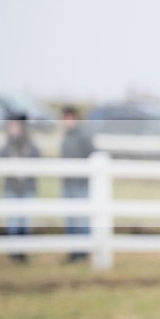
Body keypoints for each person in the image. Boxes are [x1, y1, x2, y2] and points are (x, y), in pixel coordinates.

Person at [0, 113, 42, 263]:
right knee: (13, 221)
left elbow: (36, 161)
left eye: (15, 125)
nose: (13, 128)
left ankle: (22, 252)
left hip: (27, 188)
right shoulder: (7, 146)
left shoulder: (31, 146)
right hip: (12, 188)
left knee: (24, 220)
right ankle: (14, 252)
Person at [59, 106, 95, 262]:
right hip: (68, 183)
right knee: (71, 219)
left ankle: (83, 251)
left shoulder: (83, 136)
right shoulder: (66, 137)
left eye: (69, 118)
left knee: (82, 219)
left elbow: (93, 155)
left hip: (81, 184)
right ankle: (74, 251)